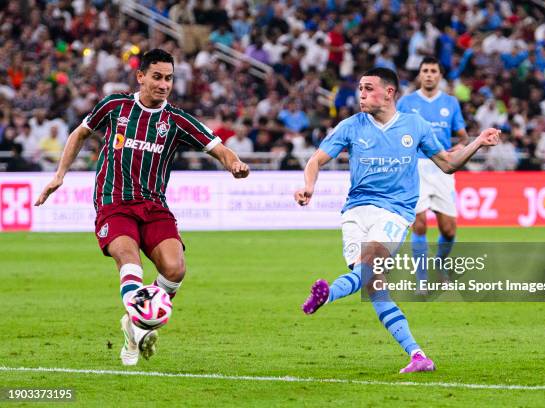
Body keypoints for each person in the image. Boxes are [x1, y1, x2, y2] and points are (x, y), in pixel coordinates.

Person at [35, 49, 250, 366]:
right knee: (128, 257)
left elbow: (218, 148)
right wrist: (59, 174)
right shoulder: (115, 107)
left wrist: (235, 163)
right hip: (114, 202)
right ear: (141, 76)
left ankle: (134, 325)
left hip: (154, 206)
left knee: (175, 269)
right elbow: (80, 132)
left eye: (169, 79)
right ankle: (141, 323)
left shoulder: (176, 121)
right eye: (157, 77)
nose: (164, 84)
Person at [295, 67, 498, 373]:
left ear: (388, 93)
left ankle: (328, 294)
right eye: (360, 89)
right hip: (354, 213)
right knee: (374, 286)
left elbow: (448, 163)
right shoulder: (350, 126)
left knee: (369, 266)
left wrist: (478, 142)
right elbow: (316, 160)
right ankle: (418, 356)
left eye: (368, 88)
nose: (361, 94)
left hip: (393, 211)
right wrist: (308, 185)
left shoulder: (414, 125)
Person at [396, 57, 469, 287]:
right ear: (419, 74)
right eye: (425, 70)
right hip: (415, 167)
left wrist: (460, 146)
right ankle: (422, 280)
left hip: (442, 168)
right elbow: (394, 131)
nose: (429, 74)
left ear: (439, 75)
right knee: (419, 224)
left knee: (448, 230)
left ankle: (439, 264)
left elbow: (463, 136)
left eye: (433, 71)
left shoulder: (450, 103)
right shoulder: (406, 102)